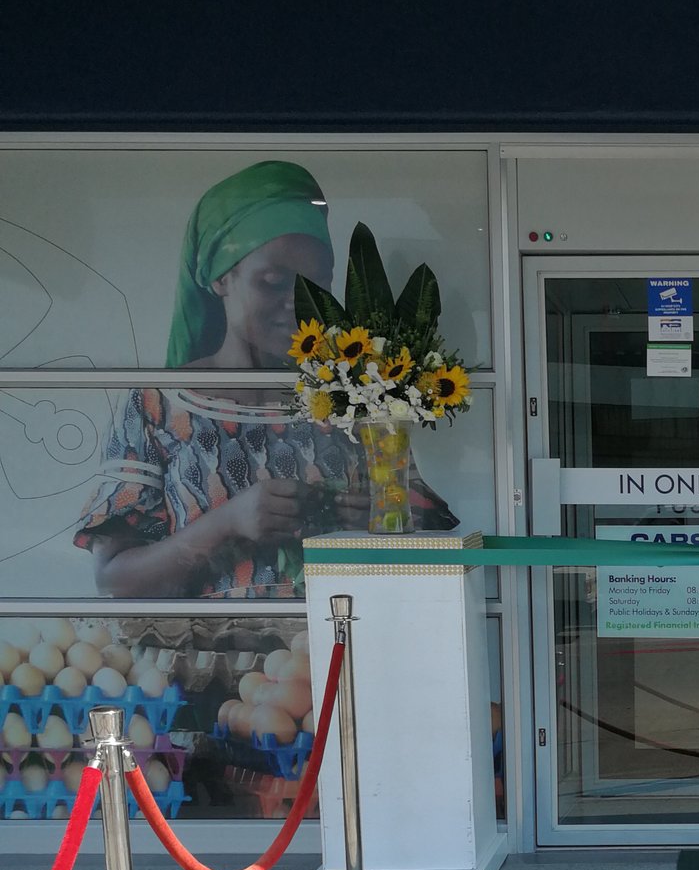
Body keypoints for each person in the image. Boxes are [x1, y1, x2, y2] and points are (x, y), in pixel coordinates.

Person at [76, 159, 456, 598]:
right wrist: (227, 523)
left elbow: (432, 535)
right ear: (221, 279)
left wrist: (380, 519)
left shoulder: (354, 393)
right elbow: (114, 581)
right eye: (273, 282)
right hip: (204, 644)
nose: (299, 302)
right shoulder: (158, 405)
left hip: (342, 635)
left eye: (317, 285)